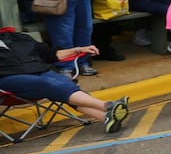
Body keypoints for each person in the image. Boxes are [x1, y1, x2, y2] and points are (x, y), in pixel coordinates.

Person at [0, 33, 128, 134]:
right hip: (9, 78)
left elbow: (50, 54)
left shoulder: (18, 38)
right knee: (48, 83)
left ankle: (106, 117)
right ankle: (108, 105)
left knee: (62, 82)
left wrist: (78, 49)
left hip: (40, 71)